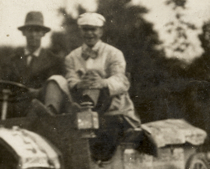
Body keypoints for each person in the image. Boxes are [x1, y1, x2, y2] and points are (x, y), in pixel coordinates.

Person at [40, 12, 139, 159]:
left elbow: (121, 80)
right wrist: (79, 84)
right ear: (80, 31)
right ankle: (50, 115)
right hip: (79, 102)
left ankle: (84, 110)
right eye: (85, 29)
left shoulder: (113, 54)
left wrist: (102, 83)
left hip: (112, 109)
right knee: (55, 79)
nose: (90, 33)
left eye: (93, 29)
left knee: (93, 77)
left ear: (101, 31)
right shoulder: (72, 57)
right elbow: (71, 79)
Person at [0, 11, 63, 119]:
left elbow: (55, 87)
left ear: (43, 33)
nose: (33, 35)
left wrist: (37, 92)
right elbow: (0, 80)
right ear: (24, 33)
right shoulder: (12, 60)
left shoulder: (53, 61)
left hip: (37, 107)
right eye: (30, 30)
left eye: (37, 30)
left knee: (35, 115)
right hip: (12, 104)